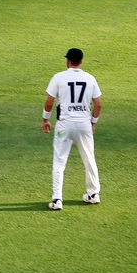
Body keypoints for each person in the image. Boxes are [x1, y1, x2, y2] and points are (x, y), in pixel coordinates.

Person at [42, 48, 103, 210]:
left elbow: (49, 102)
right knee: (89, 159)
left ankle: (57, 200)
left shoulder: (58, 77)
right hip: (84, 125)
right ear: (81, 61)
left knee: (59, 161)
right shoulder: (90, 78)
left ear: (67, 61)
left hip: (64, 125)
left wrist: (45, 120)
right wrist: (93, 122)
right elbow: (98, 104)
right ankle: (93, 194)